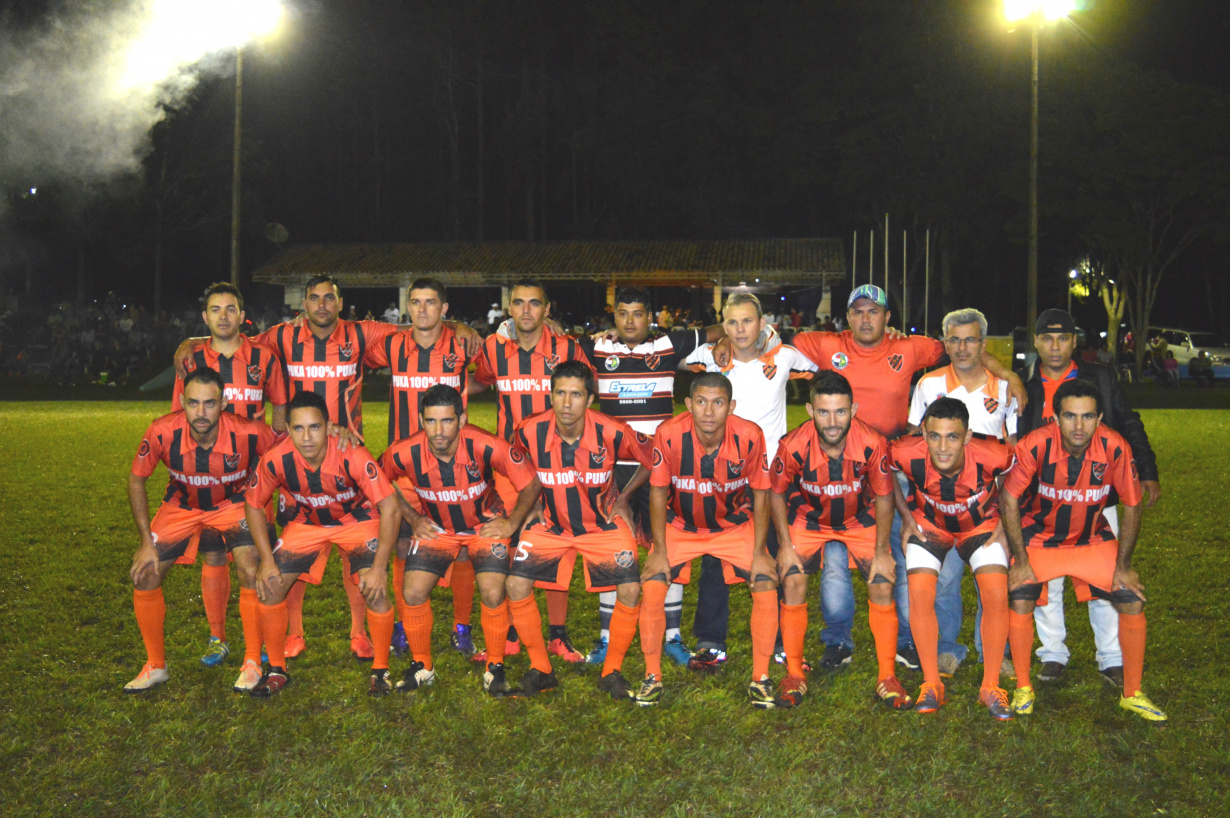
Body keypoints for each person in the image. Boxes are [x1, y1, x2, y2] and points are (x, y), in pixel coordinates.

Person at [783, 285, 1024, 672]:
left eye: (874, 312)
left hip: (892, 470)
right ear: (847, 316)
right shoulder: (828, 344)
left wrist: (1007, 372)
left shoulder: (910, 349)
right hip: (839, 466)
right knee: (835, 557)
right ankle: (838, 639)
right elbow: (792, 340)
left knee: (896, 552)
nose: (866, 319)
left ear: (887, 318)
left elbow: (963, 351)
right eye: (858, 311)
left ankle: (911, 640)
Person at [1001, 380, 1167, 722]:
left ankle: (1132, 693)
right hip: (1042, 538)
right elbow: (1008, 497)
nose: (1079, 426)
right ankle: (1023, 687)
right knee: (1021, 595)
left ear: (1100, 417)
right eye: (1070, 416)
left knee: (1130, 597)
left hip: (1091, 538)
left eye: (1088, 416)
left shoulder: (1115, 447)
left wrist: (1124, 565)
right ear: (1055, 418)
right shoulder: (1035, 445)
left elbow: (1133, 505)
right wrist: (1019, 560)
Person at [578, 287, 723, 667]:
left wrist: (756, 334)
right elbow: (550, 339)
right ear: (614, 317)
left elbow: (719, 330)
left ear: (650, 317)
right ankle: (609, 639)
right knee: (613, 552)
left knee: (669, 549)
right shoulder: (597, 349)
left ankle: (672, 637)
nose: (629, 321)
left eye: (637, 313)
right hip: (610, 473)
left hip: (662, 470)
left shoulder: (670, 345)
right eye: (622, 313)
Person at [1018, 308, 1160, 688]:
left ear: (1074, 341)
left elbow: (1129, 421)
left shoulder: (1099, 377)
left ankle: (1111, 656)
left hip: (1099, 495)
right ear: (1035, 341)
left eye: (1062, 338)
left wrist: (1146, 470)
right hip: (1044, 498)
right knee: (1047, 585)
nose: (1054, 346)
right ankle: (1052, 654)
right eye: (1046, 338)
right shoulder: (1023, 383)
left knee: (1107, 577)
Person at [683, 292, 817, 670]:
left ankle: (778, 641)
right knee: (714, 555)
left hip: (773, 476)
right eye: (732, 322)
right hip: (723, 477)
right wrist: (716, 340)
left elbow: (827, 365)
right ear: (723, 324)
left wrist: (774, 337)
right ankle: (711, 642)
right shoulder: (711, 356)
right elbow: (669, 359)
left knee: (774, 553)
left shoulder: (785, 356)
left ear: (762, 323)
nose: (740, 329)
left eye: (748, 321)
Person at [378, 385, 540, 696]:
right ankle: (422, 665)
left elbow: (531, 481)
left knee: (494, 592)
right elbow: (378, 481)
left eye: (447, 421)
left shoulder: (486, 444)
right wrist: (413, 519)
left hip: (483, 526)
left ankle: (495, 666)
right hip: (437, 529)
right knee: (412, 592)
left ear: (462, 419)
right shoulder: (404, 451)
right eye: (430, 421)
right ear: (421, 420)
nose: (438, 431)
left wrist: (511, 522)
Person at [125, 368, 279, 693]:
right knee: (145, 574)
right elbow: (137, 478)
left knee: (250, 568)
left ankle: (252, 661)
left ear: (224, 402)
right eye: (193, 403)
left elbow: (287, 453)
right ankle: (156, 666)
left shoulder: (250, 432)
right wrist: (145, 542)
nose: (201, 412)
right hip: (181, 506)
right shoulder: (162, 431)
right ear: (181, 401)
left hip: (234, 503)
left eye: (210, 403)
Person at [508, 362, 653, 699]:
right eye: (560, 393)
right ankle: (541, 668)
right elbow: (519, 465)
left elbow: (654, 457)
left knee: (630, 590)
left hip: (601, 526)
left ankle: (611, 671)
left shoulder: (613, 430)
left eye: (576, 394)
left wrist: (625, 498)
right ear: (551, 395)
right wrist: (531, 506)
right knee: (515, 583)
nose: (567, 403)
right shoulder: (529, 430)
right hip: (552, 526)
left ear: (590, 400)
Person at [243, 391, 401, 697]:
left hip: (356, 521)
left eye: (314, 427)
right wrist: (266, 559)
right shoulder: (276, 458)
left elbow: (391, 507)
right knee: (270, 586)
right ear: (287, 429)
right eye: (298, 428)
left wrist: (380, 567)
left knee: (375, 586)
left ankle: (380, 670)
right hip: (307, 524)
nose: (307, 437)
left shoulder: (351, 453)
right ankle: (277, 670)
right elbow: (252, 504)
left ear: (328, 426)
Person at [637, 373, 779, 708]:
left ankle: (761, 678)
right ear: (688, 404)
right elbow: (657, 491)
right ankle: (651, 676)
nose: (709, 411)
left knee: (765, 581)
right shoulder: (669, 434)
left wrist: (760, 552)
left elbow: (761, 493)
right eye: (701, 401)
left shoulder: (749, 435)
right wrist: (659, 549)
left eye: (718, 403)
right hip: (681, 525)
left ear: (731, 406)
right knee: (654, 584)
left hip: (732, 526)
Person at [472, 279, 594, 662]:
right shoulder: (493, 349)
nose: (526, 311)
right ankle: (509, 633)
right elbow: (479, 379)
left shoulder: (567, 348)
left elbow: (590, 393)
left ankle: (557, 635)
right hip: (511, 467)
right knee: (508, 546)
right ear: (509, 309)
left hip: (559, 465)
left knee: (555, 546)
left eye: (534, 304)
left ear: (547, 309)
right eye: (519, 304)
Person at [770, 372, 909, 709]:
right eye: (823, 412)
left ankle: (887, 676)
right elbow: (775, 494)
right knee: (792, 580)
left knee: (882, 580)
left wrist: (881, 551)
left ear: (854, 408)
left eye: (841, 412)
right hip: (809, 519)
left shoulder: (873, 443)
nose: (832, 422)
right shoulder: (792, 445)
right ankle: (794, 674)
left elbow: (885, 495)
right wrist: (786, 547)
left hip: (858, 520)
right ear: (808, 409)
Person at [171, 283, 287, 668]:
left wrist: (276, 469)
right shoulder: (190, 360)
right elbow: (179, 416)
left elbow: (281, 414)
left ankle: (263, 640)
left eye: (230, 309)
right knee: (214, 555)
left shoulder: (264, 357)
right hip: (206, 476)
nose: (223, 316)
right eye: (215, 309)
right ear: (205, 318)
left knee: (250, 560)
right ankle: (217, 637)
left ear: (242, 315)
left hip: (251, 479)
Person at [363, 278, 479, 659]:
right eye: (416, 302)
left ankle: (461, 626)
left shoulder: (462, 344)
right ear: (407, 308)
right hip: (404, 468)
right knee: (400, 545)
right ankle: (400, 624)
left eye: (431, 302)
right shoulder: (393, 345)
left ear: (445, 309)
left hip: (455, 464)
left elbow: (506, 351)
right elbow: (341, 346)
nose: (423, 309)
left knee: (461, 548)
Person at [906, 308, 1018, 678]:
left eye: (971, 339)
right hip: (940, 510)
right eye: (954, 339)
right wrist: (912, 514)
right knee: (946, 581)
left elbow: (1013, 456)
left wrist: (1007, 517)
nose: (962, 347)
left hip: (987, 511)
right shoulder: (928, 385)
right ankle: (948, 648)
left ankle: (992, 652)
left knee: (993, 583)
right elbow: (912, 448)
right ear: (944, 343)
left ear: (984, 344)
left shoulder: (1004, 389)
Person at [890, 398, 1016, 719]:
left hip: (980, 525)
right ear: (923, 433)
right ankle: (932, 683)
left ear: (968, 436)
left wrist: (1005, 524)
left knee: (995, 592)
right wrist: (905, 517)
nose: (943, 446)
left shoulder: (995, 452)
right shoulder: (903, 450)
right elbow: (885, 473)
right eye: (934, 436)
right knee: (918, 592)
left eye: (953, 437)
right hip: (931, 524)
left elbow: (1019, 478)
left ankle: (990, 686)